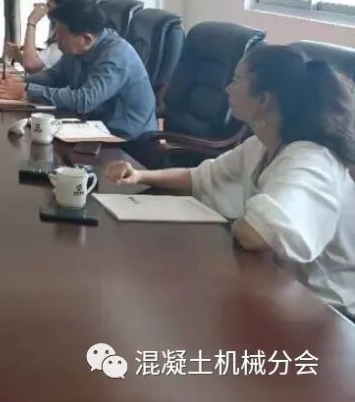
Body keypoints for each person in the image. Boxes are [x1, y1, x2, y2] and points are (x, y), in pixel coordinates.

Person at [106, 45, 355, 319]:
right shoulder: (260, 145)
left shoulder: (310, 159)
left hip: (327, 310)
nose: (227, 88)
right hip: (279, 285)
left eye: (236, 80)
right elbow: (201, 177)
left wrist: (230, 224)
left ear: (264, 100)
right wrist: (141, 175)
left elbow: (256, 233)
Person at [0, 0, 157, 139]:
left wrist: (26, 90)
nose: (55, 38)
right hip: (92, 128)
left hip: (128, 141)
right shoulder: (77, 49)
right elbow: (55, 76)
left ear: (86, 39)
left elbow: (85, 100)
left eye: (61, 33)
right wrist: (20, 80)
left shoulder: (117, 55)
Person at [3, 0, 82, 73]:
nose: (47, 4)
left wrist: (32, 22)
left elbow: (31, 65)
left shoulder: (68, 41)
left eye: (50, 0)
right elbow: (39, 71)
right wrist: (17, 55)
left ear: (61, 5)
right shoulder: (57, 30)